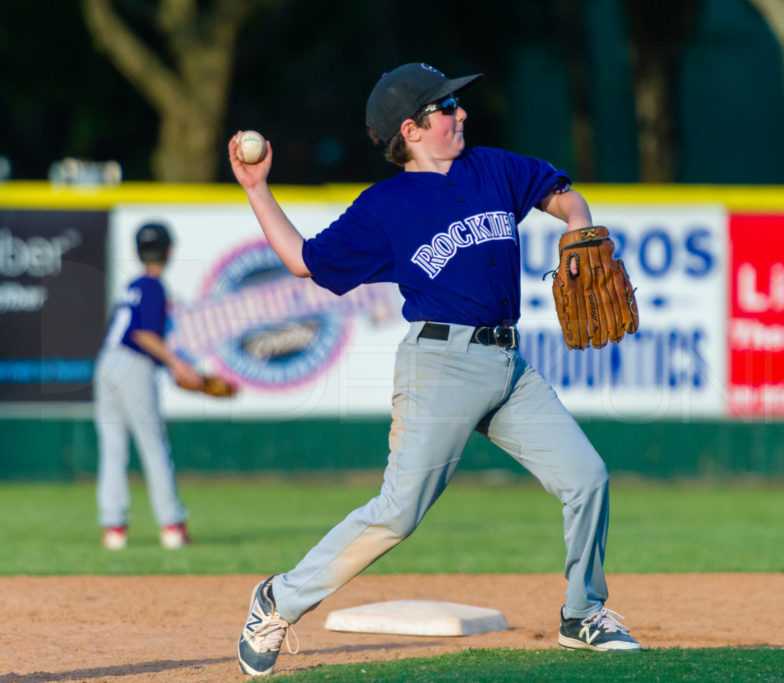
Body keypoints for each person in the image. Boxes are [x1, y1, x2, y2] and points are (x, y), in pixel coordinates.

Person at [229, 62, 641, 677]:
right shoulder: (385, 207)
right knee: (398, 511)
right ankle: (277, 601)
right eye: (446, 107)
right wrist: (257, 188)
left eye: (456, 104)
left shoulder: (494, 168)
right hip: (438, 364)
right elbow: (302, 261)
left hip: (508, 365)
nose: (461, 113)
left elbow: (562, 193)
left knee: (586, 476)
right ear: (412, 128)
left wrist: (579, 225)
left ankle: (583, 612)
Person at [94, 222, 203, 550]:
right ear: (169, 251)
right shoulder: (155, 287)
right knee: (153, 445)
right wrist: (178, 364)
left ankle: (114, 530)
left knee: (113, 447)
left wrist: (171, 364)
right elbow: (144, 335)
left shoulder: (133, 285)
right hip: (133, 364)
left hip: (106, 362)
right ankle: (172, 526)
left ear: (138, 252)